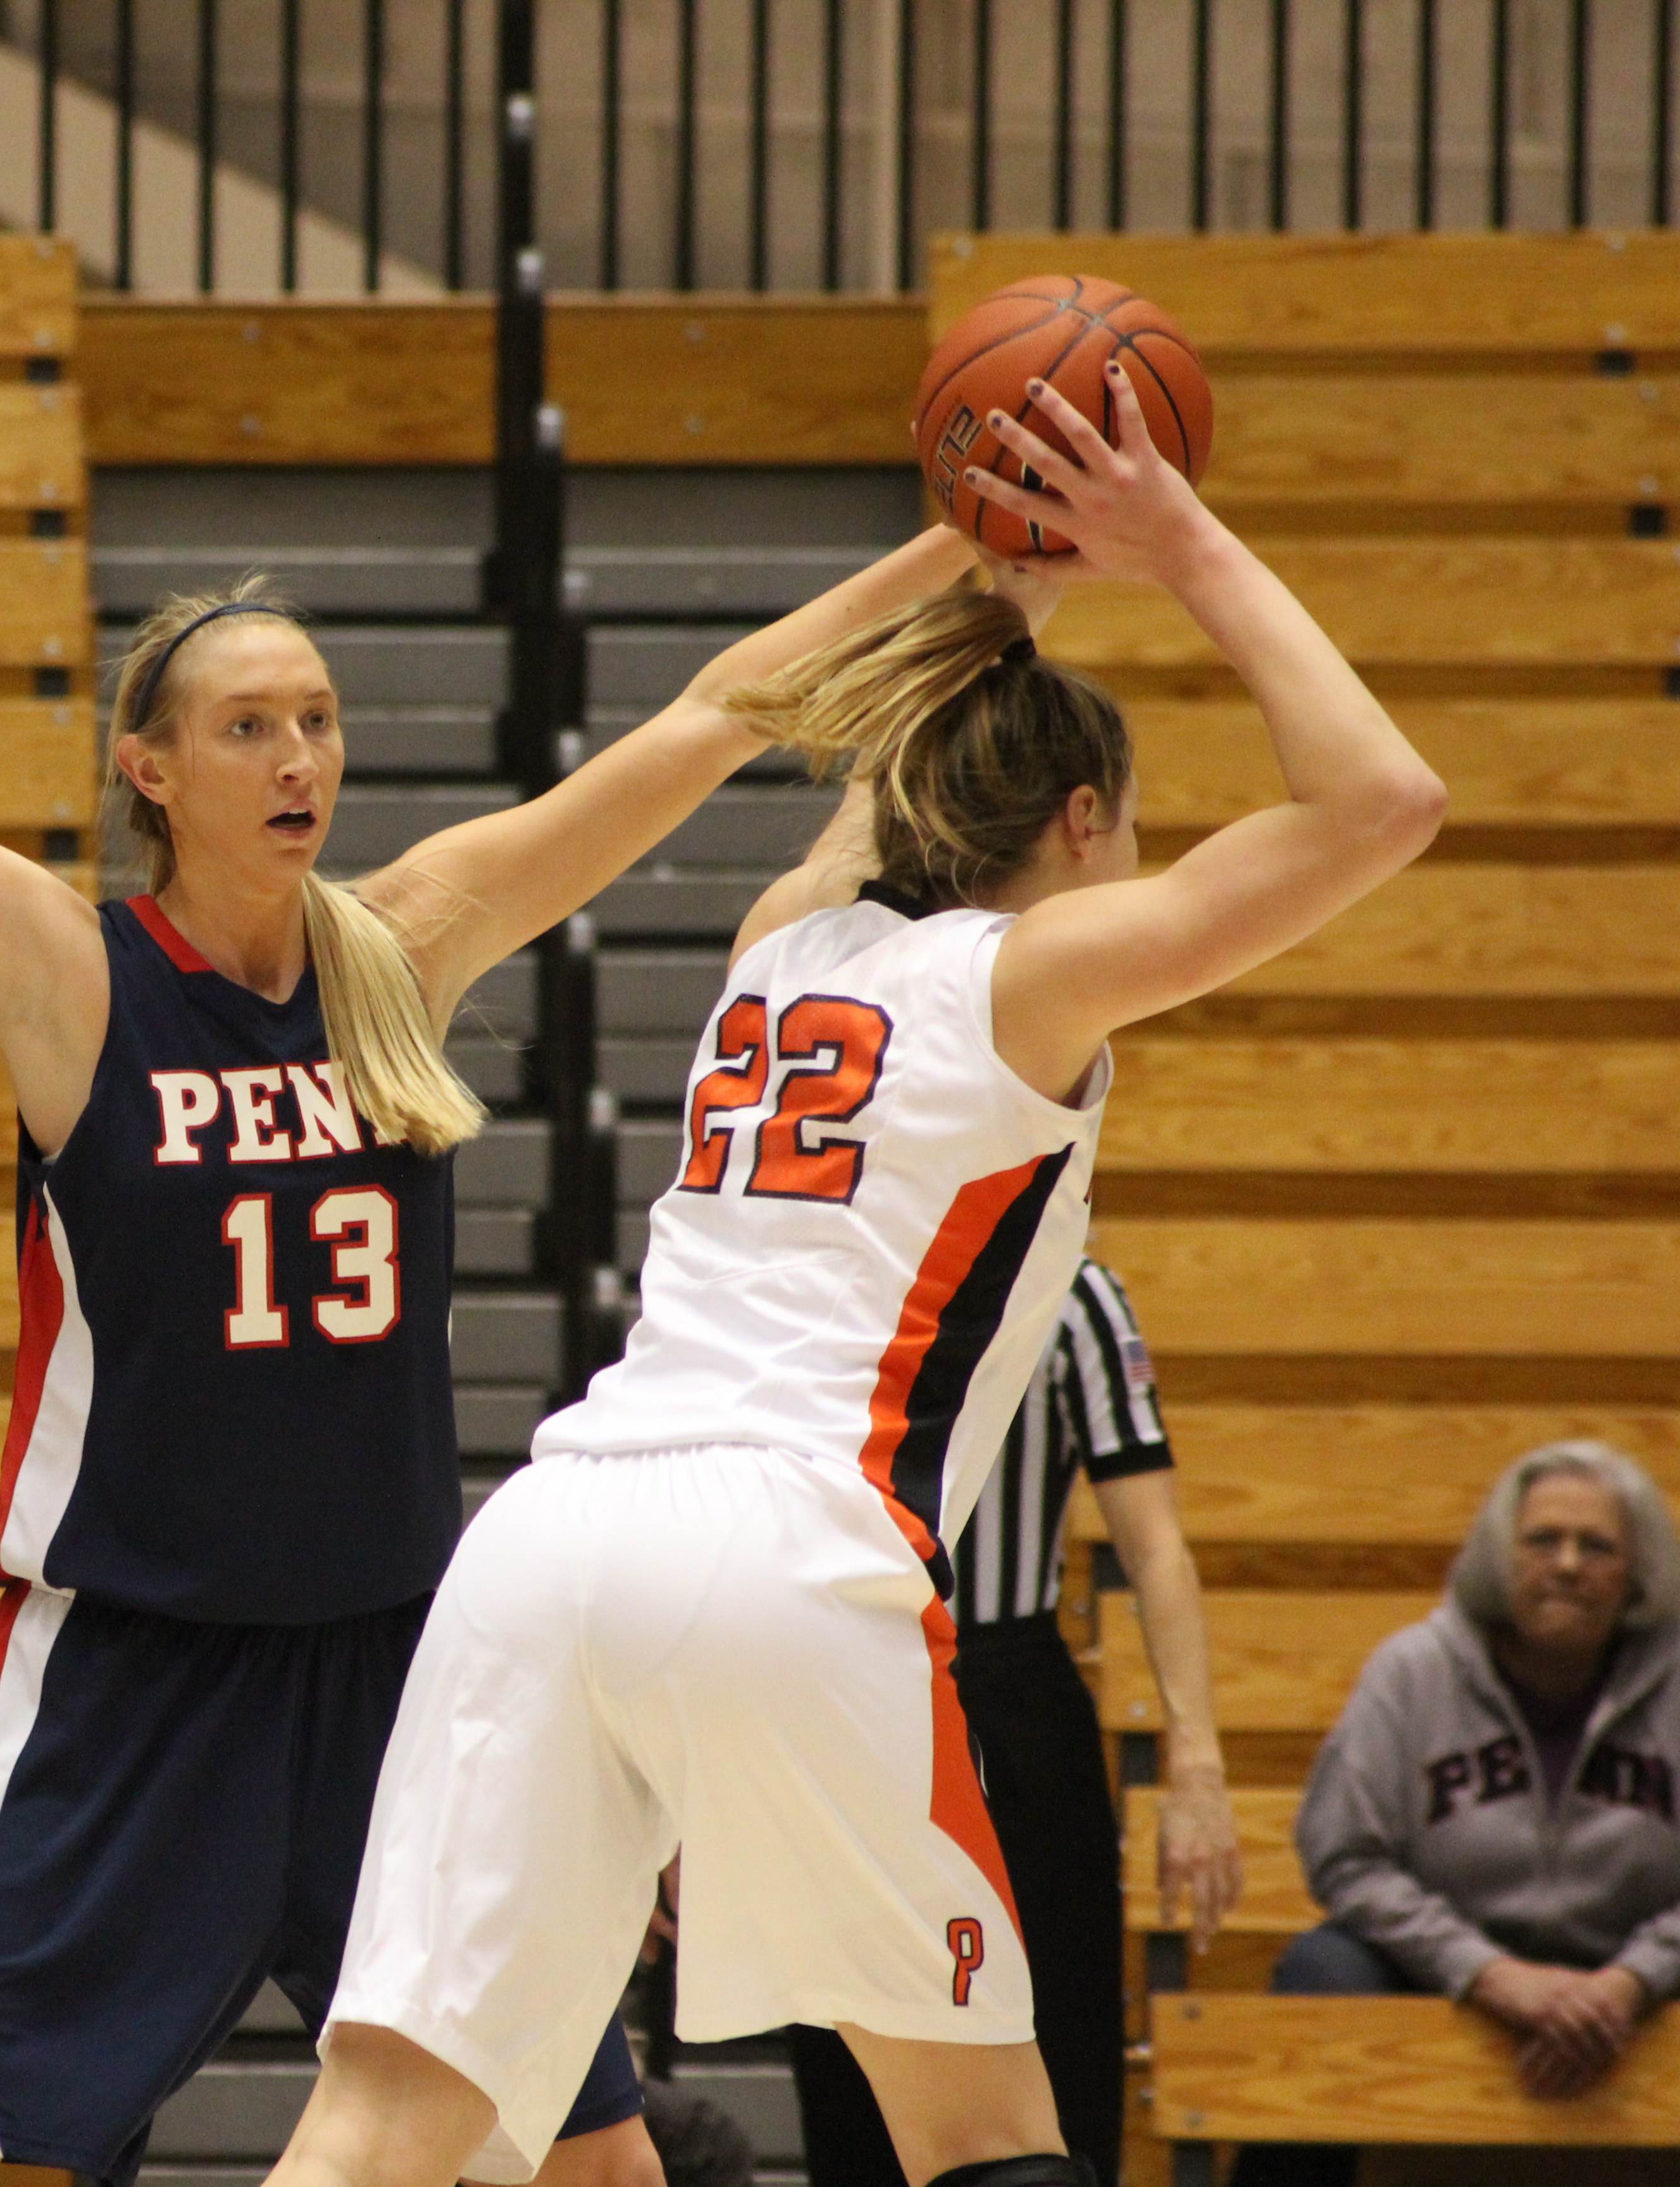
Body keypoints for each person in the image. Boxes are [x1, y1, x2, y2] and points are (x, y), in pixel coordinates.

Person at [0, 315, 988, 2187]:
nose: (298, 755)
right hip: (133, 1680)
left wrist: (970, 550)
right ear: (148, 768)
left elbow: (715, 715)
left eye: (316, 718)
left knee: (593, 2162)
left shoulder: (403, 944)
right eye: (248, 727)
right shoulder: (68, 976)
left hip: (393, 1665)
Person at [249, 359, 1445, 2187]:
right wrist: (1174, 536)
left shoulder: (783, 936)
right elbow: (1383, 802)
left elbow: (889, 789)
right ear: (1081, 821)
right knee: (985, 2129)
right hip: (790, 1547)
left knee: (383, 2119)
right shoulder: (1033, 978)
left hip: (548, 1539)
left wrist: (1011, 576)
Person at [788, 1257, 1244, 2187]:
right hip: (847, 1685)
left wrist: (1198, 1770)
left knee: (1059, 2044)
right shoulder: (821, 1278)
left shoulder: (1073, 1293)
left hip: (1012, 1699)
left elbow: (1156, 1546)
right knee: (847, 2062)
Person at [1231, 1442, 1680, 2187]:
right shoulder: (1413, 1671)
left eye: (1597, 1546)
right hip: (1441, 1967)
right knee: (1323, 1971)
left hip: (1639, 1971)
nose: (1568, 1564)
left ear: (1637, 1572)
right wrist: (1486, 1973)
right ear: (1501, 1558)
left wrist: (1634, 1979)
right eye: (1543, 1540)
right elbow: (1344, 1856)